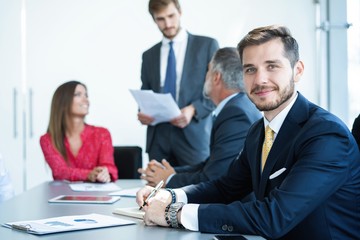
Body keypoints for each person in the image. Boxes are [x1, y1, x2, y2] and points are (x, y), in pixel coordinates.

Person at [136, 25, 360, 239]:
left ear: (297, 70)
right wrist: (173, 195)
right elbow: (224, 187)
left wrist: (175, 213)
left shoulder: (327, 135)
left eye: (272, 66)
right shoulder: (258, 132)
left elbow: (274, 217)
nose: (260, 79)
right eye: (250, 69)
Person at [138, 47, 261, 188]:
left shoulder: (235, 113)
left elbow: (212, 177)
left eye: (208, 71)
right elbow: (210, 165)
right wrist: (169, 173)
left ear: (216, 77)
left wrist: (169, 179)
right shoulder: (238, 106)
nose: (205, 77)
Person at [138, 0, 219, 167]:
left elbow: (219, 90)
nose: (167, 24)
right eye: (160, 19)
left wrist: (193, 109)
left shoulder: (206, 45)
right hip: (158, 140)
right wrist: (142, 111)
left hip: (193, 137)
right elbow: (145, 91)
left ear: (180, 12)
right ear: (154, 20)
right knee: (157, 190)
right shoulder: (148, 55)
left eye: (171, 16)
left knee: (197, 189)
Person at [40, 81, 118, 182]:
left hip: (97, 196)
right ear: (63, 102)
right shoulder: (47, 140)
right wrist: (88, 174)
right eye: (78, 95)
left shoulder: (102, 134)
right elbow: (59, 171)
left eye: (86, 95)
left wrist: (104, 173)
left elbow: (110, 168)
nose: (86, 100)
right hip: (63, 195)